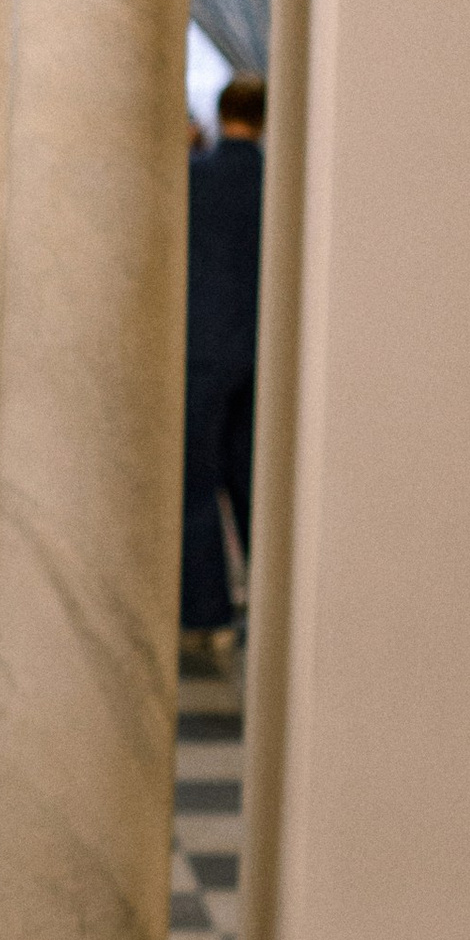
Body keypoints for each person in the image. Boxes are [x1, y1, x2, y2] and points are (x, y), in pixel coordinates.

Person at [183, 72, 266, 634]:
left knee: (196, 479)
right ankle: (271, 601)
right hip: (261, 345)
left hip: (205, 343)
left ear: (219, 112)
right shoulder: (277, 181)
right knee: (251, 476)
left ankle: (207, 609)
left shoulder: (196, 177)